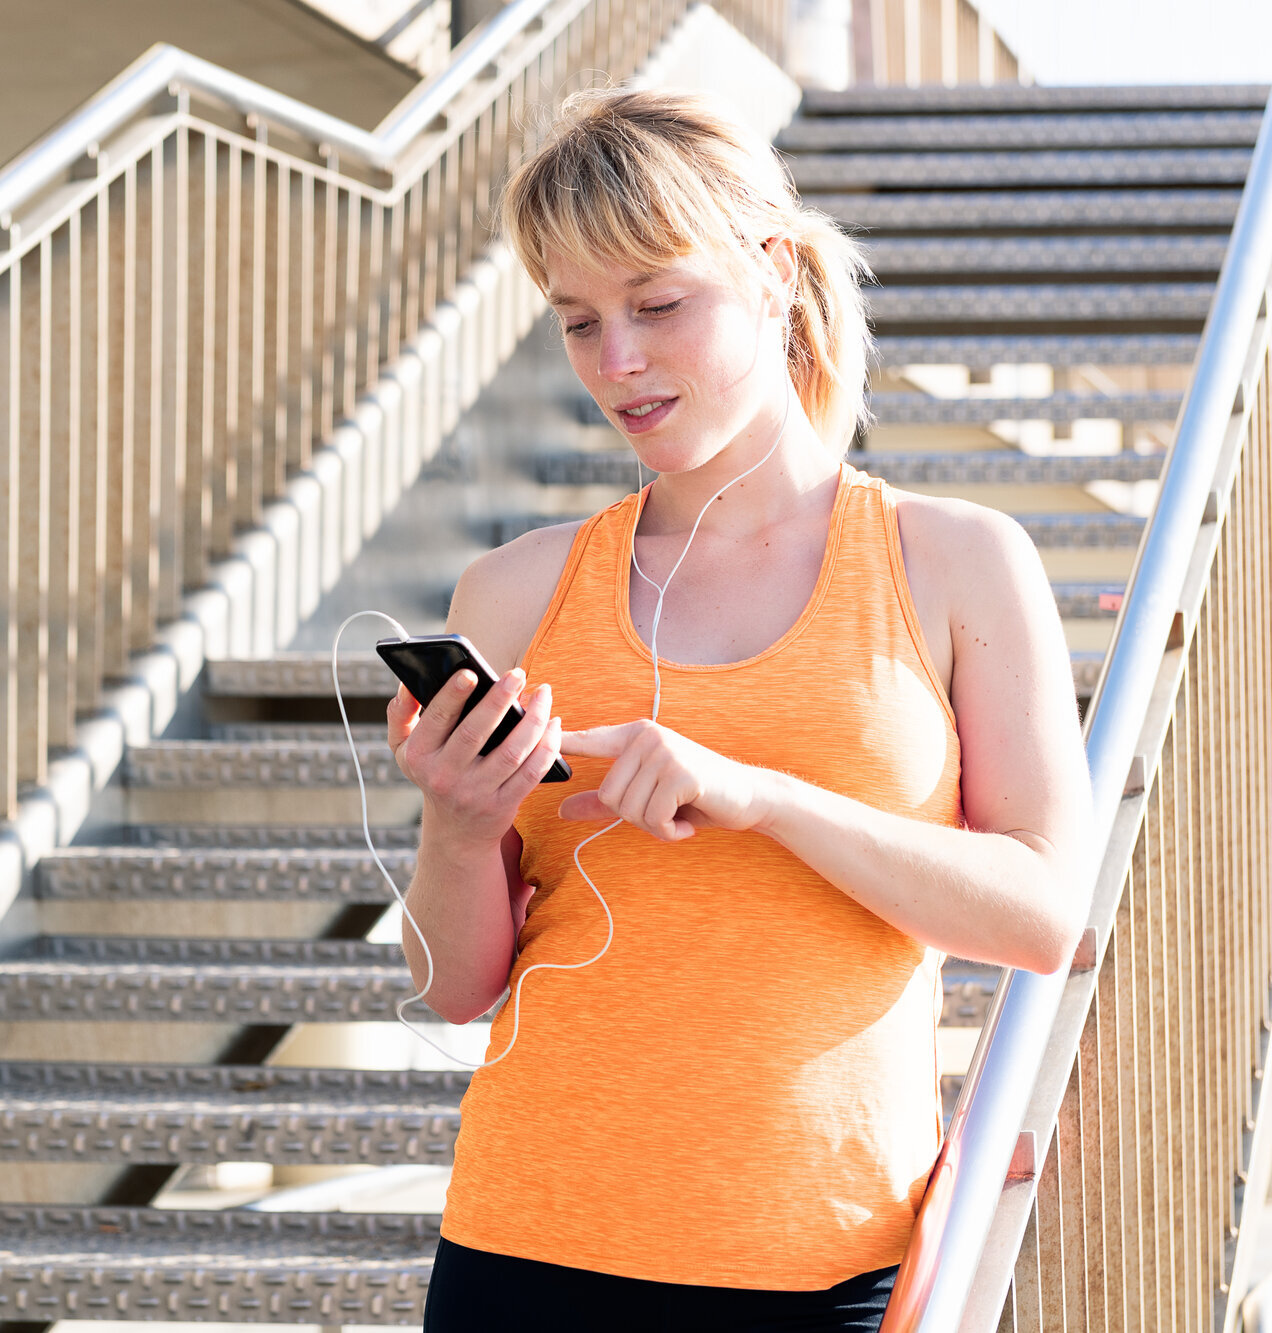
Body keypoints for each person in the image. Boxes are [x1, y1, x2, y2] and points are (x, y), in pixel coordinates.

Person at [388, 86, 1091, 1331]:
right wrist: (453, 824)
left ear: (772, 274)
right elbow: (453, 989)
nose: (618, 362)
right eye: (577, 322)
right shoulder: (511, 590)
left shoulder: (953, 560)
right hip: (521, 1246)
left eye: (657, 304)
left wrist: (755, 794)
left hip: (815, 1261)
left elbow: (1040, 914)